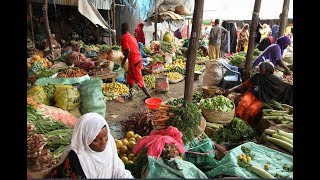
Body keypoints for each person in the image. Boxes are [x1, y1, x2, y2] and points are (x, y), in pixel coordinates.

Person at [46, 112, 134, 179]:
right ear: (85, 141)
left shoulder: (109, 142)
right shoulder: (76, 159)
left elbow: (117, 168)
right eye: (96, 140)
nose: (104, 142)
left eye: (105, 136)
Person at [225, 62, 293, 125]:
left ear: (267, 69)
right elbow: (244, 84)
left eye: (261, 68)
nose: (259, 69)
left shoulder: (274, 79)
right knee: (244, 102)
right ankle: (235, 119)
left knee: (251, 110)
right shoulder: (256, 76)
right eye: (260, 68)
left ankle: (243, 124)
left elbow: (283, 86)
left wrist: (290, 87)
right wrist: (231, 89)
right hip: (251, 94)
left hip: (262, 99)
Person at [120, 23, 152, 100]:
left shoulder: (123, 37)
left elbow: (127, 50)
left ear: (122, 30)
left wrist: (123, 61)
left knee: (138, 79)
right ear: (128, 30)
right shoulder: (132, 37)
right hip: (137, 59)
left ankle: (148, 96)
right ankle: (131, 95)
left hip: (134, 61)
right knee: (130, 79)